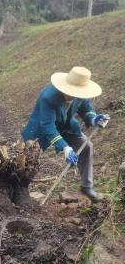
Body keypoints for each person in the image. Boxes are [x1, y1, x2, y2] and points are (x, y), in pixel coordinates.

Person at [22, 66, 110, 202]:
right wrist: (65, 147)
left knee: (87, 147)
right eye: (72, 93)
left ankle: (87, 187)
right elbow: (47, 125)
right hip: (41, 129)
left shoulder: (81, 93)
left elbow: (86, 109)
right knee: (29, 158)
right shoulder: (48, 97)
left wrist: (93, 118)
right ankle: (21, 190)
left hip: (67, 126)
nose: (75, 96)